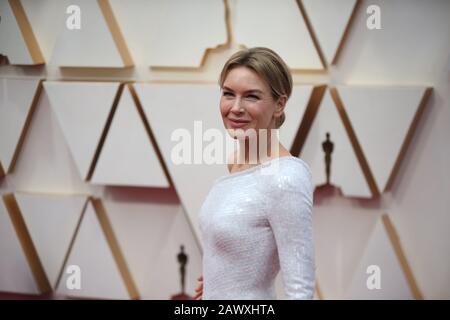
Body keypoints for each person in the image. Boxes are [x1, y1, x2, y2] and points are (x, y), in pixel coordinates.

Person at [194, 47, 315, 300]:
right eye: (228, 94)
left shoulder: (286, 178)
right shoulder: (235, 164)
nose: (236, 107)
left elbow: (300, 291)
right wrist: (218, 286)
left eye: (251, 97)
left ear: (279, 104)